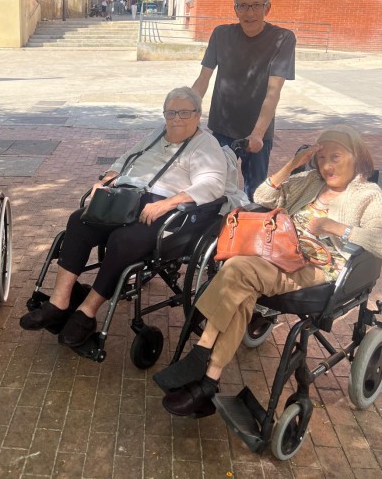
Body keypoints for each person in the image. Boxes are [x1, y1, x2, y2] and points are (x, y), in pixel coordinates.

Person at [153, 125, 382, 418]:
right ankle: (209, 381)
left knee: (237, 268)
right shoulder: (310, 180)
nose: (327, 165)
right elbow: (263, 196)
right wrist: (291, 165)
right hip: (281, 254)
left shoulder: (367, 194)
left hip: (319, 267)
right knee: (240, 290)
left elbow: (378, 240)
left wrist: (336, 227)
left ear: (356, 156)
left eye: (335, 157)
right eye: (322, 157)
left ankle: (201, 353)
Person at [19, 87, 230, 348]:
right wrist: (106, 180)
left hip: (166, 208)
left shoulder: (206, 145)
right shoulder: (157, 133)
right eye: (171, 112)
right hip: (126, 197)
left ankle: (86, 312)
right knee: (78, 220)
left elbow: (212, 185)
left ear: (198, 115)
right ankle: (59, 303)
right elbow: (126, 160)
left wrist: (168, 203)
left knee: (123, 240)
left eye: (184, 113)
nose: (176, 118)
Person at [192, 0, 296, 201]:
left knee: (255, 194)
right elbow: (203, 79)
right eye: (243, 6)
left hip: (257, 132)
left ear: (267, 8)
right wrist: (186, 110)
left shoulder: (283, 39)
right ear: (235, 9)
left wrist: (258, 133)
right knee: (214, 187)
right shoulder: (221, 35)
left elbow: (274, 90)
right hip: (222, 128)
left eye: (256, 5)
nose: (250, 13)